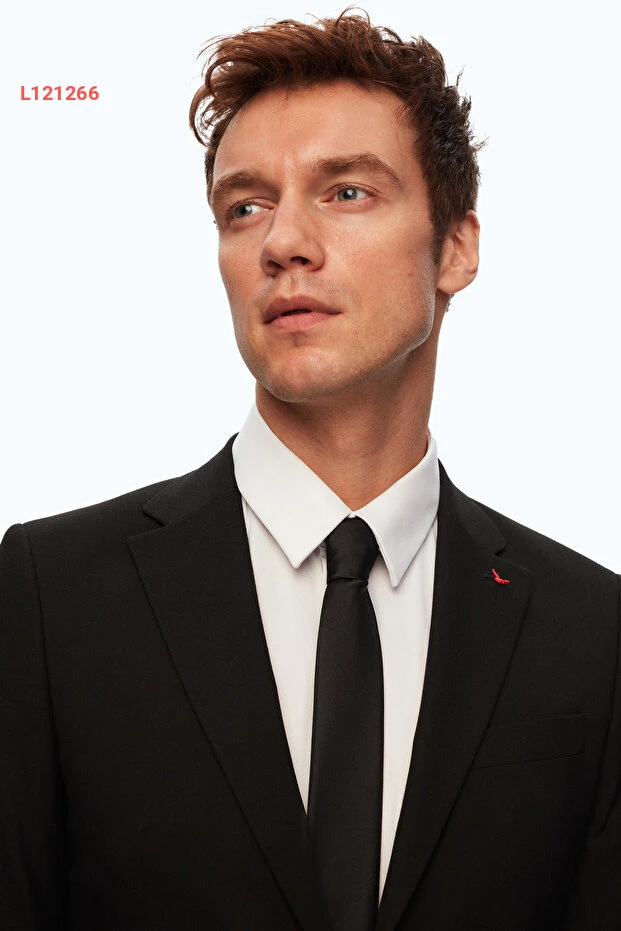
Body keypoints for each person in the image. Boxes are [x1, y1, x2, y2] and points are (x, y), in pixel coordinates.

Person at [1, 10, 619, 930]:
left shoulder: (591, 630)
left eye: (346, 191)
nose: (281, 241)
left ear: (455, 248)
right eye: (244, 207)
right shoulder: (51, 596)